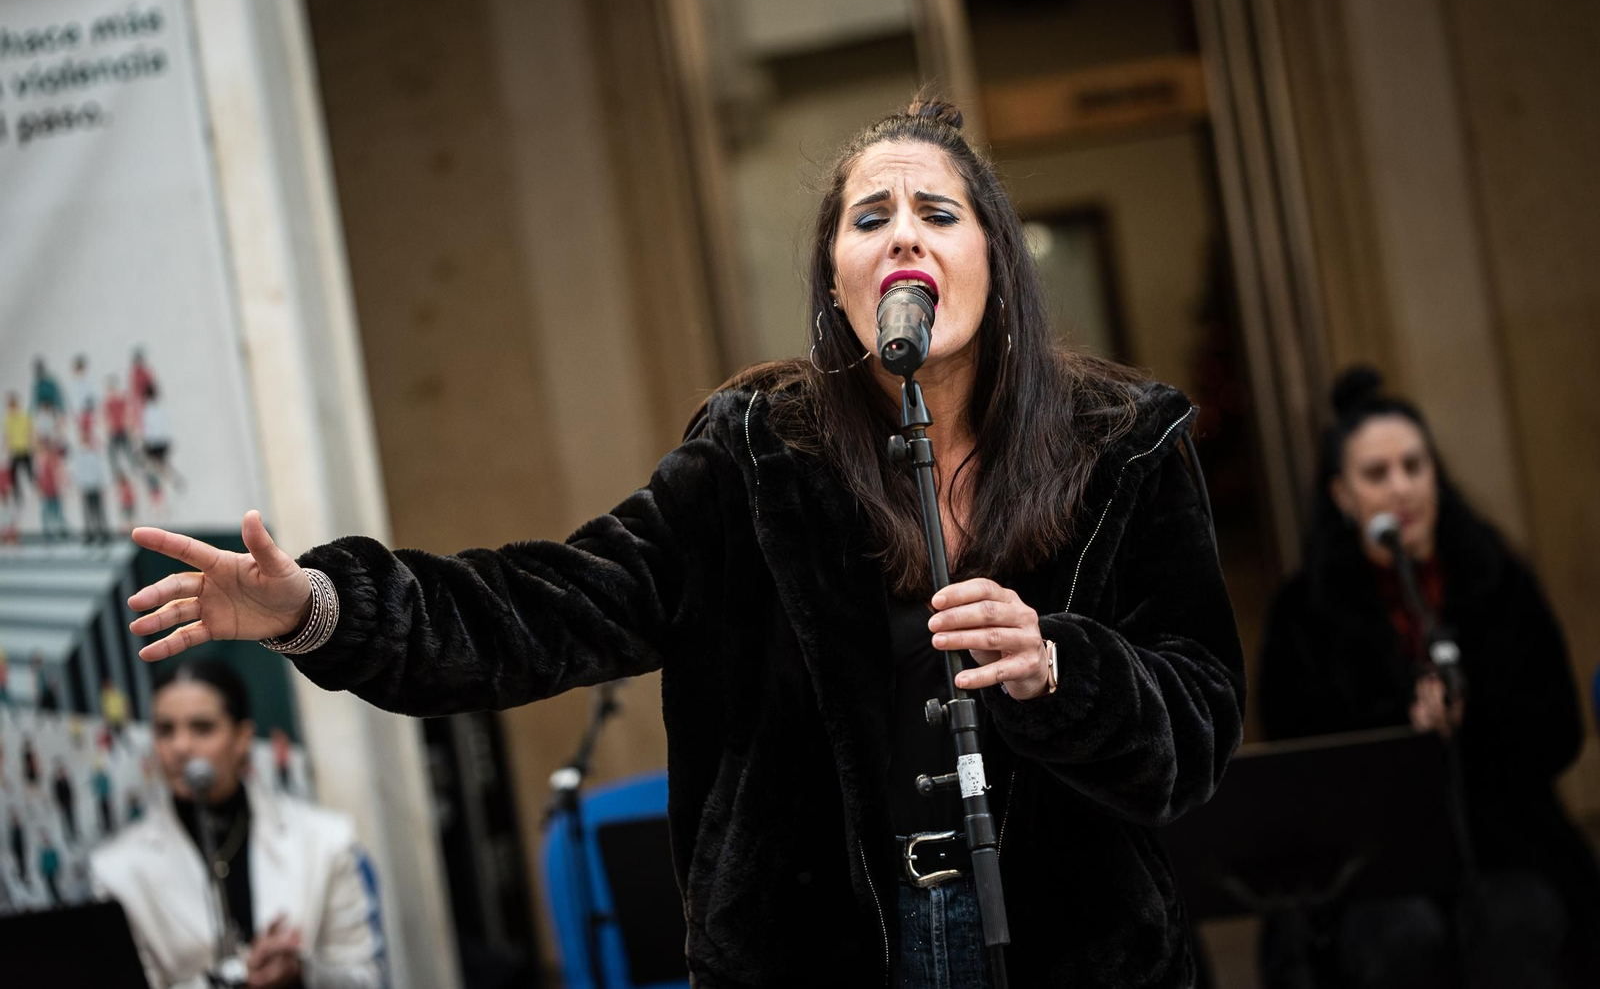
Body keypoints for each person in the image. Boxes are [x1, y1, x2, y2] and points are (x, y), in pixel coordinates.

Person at [126, 99, 1245, 988]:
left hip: (1073, 949)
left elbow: (1197, 722)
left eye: (937, 213)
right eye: (869, 218)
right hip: (816, 954)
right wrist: (319, 607)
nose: (902, 230)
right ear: (838, 288)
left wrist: (1062, 665)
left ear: (996, 267)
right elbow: (545, 608)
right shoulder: (757, 462)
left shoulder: (1125, 449)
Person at [1259, 367, 1600, 988]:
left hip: (1507, 847)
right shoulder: (1304, 612)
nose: (1402, 489)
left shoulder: (1495, 579)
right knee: (1396, 942)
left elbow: (1560, 730)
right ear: (1341, 496)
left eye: (1416, 467)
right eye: (1377, 474)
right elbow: (1299, 764)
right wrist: (1400, 727)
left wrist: (1474, 716)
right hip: (1374, 868)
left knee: (1515, 928)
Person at [90, 659, 383, 989]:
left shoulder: (326, 840)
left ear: (242, 738)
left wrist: (302, 972)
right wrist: (232, 980)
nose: (181, 747)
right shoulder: (116, 870)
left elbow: (365, 979)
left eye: (202, 728)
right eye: (165, 730)